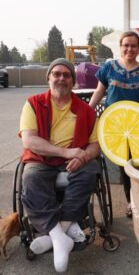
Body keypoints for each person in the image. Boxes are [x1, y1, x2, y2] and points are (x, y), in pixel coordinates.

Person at [19, 58, 100, 273]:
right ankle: (60, 236)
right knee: (30, 177)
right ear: (48, 78)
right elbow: (29, 140)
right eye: (56, 74)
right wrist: (65, 152)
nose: (61, 78)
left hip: (74, 162)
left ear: (73, 81)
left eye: (66, 75)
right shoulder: (33, 103)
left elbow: (95, 146)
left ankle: (54, 235)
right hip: (41, 158)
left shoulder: (86, 110)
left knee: (91, 170)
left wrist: (82, 157)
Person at [89, 31, 139, 218]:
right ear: (120, 46)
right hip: (115, 128)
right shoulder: (108, 68)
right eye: (126, 45)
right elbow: (99, 92)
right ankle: (131, 203)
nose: (129, 49)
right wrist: (87, 111)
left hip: (138, 128)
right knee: (125, 167)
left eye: (133, 45)